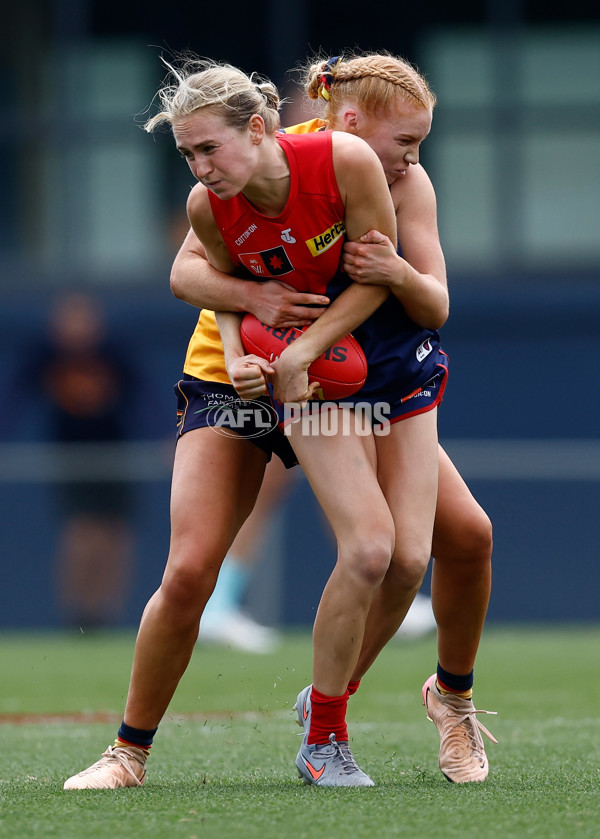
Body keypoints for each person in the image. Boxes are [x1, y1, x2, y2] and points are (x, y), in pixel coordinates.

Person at [171, 53, 495, 783]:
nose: (414, 157)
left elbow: (435, 304)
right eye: (406, 140)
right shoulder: (277, 164)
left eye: (420, 142)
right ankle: (325, 726)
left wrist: (397, 272)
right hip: (320, 383)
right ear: (347, 121)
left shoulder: (404, 182)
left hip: (395, 375)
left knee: (447, 545)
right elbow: (194, 269)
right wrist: (254, 319)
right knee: (374, 550)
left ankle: (436, 698)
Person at [21, 293, 137, 627]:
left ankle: (107, 612)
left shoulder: (113, 353)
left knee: (115, 534)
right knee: (83, 532)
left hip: (114, 457)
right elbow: (15, 397)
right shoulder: (46, 355)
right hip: (72, 460)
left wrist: (167, 436)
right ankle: (79, 613)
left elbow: (143, 396)